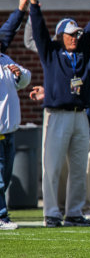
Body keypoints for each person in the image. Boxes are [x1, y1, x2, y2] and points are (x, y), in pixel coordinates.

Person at [26, 0, 90, 227]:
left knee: (79, 169)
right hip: (56, 114)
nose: (75, 37)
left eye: (77, 34)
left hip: (80, 115)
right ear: (61, 36)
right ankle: (52, 214)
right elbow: (39, 29)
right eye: (71, 34)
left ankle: (74, 212)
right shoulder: (51, 52)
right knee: (52, 167)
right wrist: (34, 2)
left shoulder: (84, 52)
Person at [0, 57, 31, 230]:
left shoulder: (5, 60)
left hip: (9, 131)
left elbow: (26, 78)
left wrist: (19, 75)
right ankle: (1, 215)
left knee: (5, 175)